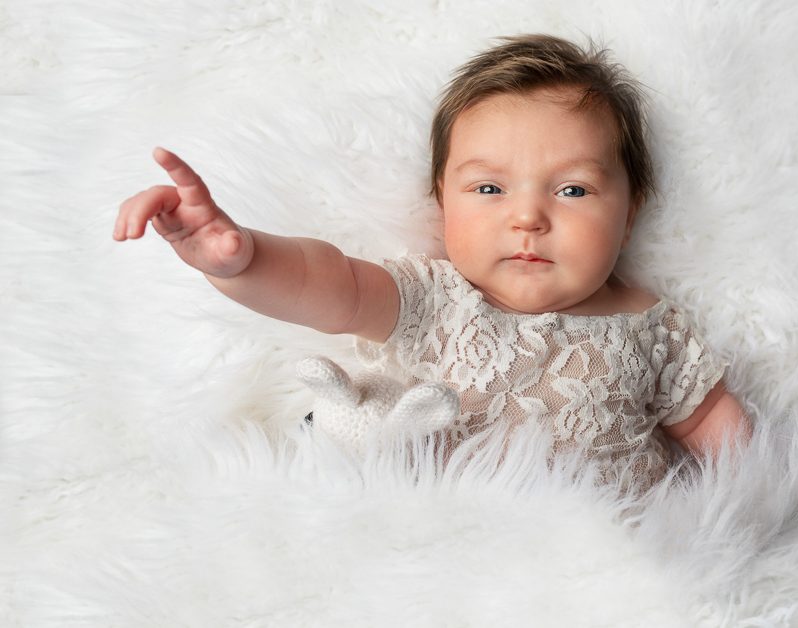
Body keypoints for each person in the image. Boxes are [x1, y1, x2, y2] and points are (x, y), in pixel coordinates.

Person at [113, 34, 751, 492]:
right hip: (446, 554)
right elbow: (322, 282)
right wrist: (240, 258)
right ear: (441, 202)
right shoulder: (434, 297)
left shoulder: (657, 329)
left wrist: (753, 512)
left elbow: (717, 433)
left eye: (573, 190)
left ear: (631, 209)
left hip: (603, 566)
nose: (527, 218)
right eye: (489, 189)